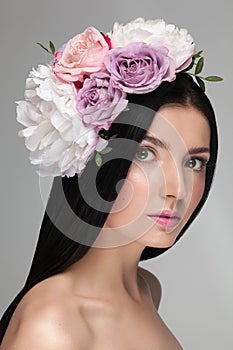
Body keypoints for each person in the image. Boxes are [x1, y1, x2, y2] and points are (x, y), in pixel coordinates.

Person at [0, 18, 220, 349]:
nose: (178, 189)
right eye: (145, 155)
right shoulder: (51, 325)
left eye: (193, 162)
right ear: (93, 159)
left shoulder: (146, 289)